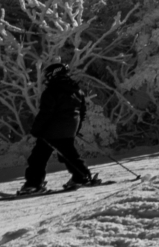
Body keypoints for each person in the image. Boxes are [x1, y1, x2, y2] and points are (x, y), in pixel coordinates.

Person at [19, 62, 100, 194]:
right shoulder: (76, 90)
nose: (47, 78)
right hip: (69, 129)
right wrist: (75, 129)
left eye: (48, 75)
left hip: (51, 131)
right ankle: (82, 176)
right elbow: (82, 112)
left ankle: (33, 184)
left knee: (37, 158)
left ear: (54, 74)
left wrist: (36, 129)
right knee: (69, 155)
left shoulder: (52, 91)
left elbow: (46, 113)